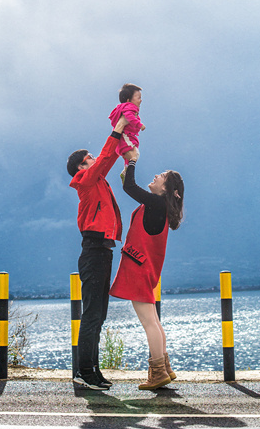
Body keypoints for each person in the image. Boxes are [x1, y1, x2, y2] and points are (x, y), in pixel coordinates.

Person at [109, 159, 184, 390]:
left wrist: (131, 160)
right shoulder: (155, 206)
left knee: (149, 322)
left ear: (167, 190)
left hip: (138, 269)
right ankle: (165, 369)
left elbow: (129, 187)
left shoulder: (155, 203)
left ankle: (158, 372)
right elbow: (128, 184)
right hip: (145, 269)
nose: (156, 176)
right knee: (154, 321)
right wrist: (126, 170)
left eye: (161, 175)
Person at [67, 115, 128, 390]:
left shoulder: (98, 180)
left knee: (99, 315)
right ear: (81, 167)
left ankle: (92, 369)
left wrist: (125, 143)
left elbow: (108, 158)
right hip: (93, 252)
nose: (95, 158)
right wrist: (118, 129)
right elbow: (106, 157)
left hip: (104, 252)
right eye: (89, 157)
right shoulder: (85, 180)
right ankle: (83, 372)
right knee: (92, 314)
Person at [108, 83, 145, 178]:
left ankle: (125, 170)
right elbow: (129, 118)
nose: (141, 100)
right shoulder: (129, 108)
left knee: (132, 154)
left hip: (128, 137)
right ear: (128, 100)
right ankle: (127, 173)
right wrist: (139, 125)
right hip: (125, 137)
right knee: (135, 155)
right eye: (138, 97)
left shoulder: (129, 108)